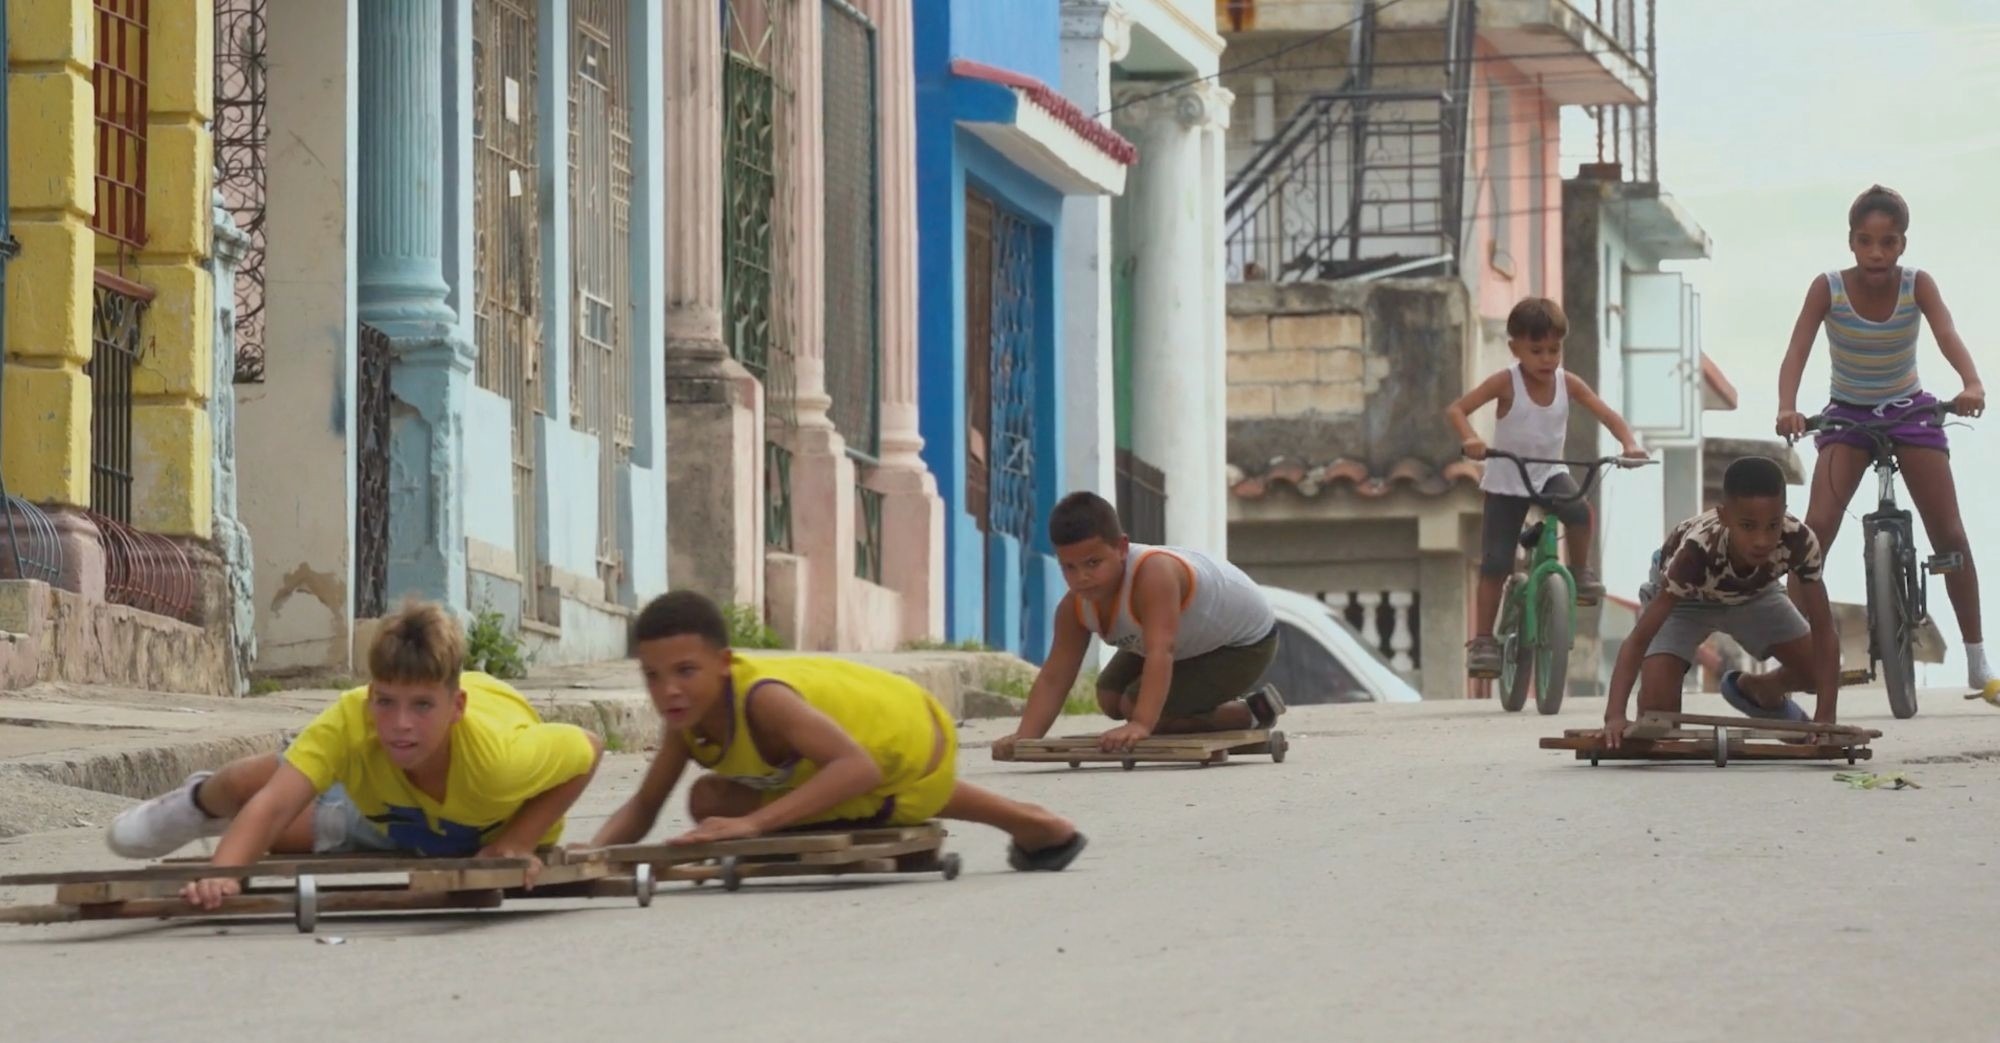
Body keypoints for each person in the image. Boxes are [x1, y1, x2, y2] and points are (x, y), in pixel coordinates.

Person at [105, 600, 605, 909]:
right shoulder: (353, 717)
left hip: (396, 826)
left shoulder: (500, 759)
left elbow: (590, 748)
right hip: (385, 801)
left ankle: (228, 825)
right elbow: (275, 803)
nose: (401, 723)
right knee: (245, 789)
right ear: (370, 698)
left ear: (456, 708)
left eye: (422, 706)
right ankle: (194, 804)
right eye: (385, 702)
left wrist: (518, 840)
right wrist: (224, 876)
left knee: (272, 835)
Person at [588, 591, 1087, 872]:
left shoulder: (761, 699)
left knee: (736, 813)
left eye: (685, 671)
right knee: (711, 801)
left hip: (907, 735)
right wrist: (590, 855)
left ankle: (991, 829)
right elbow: (644, 806)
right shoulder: (688, 720)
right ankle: (1034, 823)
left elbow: (859, 767)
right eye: (653, 676)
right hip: (874, 753)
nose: (669, 690)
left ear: (723, 663)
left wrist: (755, 826)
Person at [1775, 184, 1990, 692]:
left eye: (1888, 242)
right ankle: (1796, 655)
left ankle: (1977, 657)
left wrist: (1971, 383)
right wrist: (1788, 406)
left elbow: (1947, 334)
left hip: (1908, 410)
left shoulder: (1918, 285)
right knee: (1815, 531)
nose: (1876, 253)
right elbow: (1797, 349)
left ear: (1902, 245)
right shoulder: (1828, 288)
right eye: (1866, 241)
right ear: (1851, 241)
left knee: (1950, 533)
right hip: (1847, 415)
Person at [991, 491, 1285, 758]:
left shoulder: (1154, 574)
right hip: (1189, 641)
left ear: (1121, 547)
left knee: (1134, 705)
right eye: (1069, 567)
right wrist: (1025, 737)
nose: (1082, 578)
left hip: (1245, 645)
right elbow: (1055, 676)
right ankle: (1197, 709)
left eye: (1093, 563)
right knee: (1109, 697)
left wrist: (1141, 724)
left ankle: (1247, 713)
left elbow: (1161, 651)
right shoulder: (1073, 607)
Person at [1445, 296, 1649, 679]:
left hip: (1549, 472)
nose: (1547, 359)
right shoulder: (1506, 382)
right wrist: (1471, 439)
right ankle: (1484, 640)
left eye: (1554, 350)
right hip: (1508, 479)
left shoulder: (1567, 383)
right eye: (1536, 351)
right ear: (1515, 349)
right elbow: (1457, 409)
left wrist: (1629, 444)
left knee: (1579, 511)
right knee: (1496, 562)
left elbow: (1608, 415)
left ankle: (1580, 572)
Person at [1602, 457, 1841, 748]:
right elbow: (1639, 639)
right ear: (1724, 517)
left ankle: (1762, 690)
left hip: (1754, 594)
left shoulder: (1799, 541)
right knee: (1658, 717)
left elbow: (1824, 631)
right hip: (1685, 599)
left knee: (1818, 671)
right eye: (1748, 526)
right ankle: (1655, 700)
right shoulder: (1696, 552)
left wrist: (1825, 719)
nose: (1762, 541)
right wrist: (1614, 715)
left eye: (1772, 525)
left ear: (1784, 513)